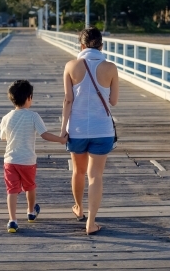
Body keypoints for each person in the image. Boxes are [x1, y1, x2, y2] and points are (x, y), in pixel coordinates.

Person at [60, 26, 119, 235]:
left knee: (78, 171)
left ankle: (78, 208)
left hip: (76, 129)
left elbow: (68, 100)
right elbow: (113, 101)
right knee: (96, 176)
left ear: (81, 45)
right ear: (101, 45)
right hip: (102, 130)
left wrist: (62, 130)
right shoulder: (111, 68)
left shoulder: (71, 66)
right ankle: (91, 223)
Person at [0, 80, 68, 233]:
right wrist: (61, 139)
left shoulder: (6, 118)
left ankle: (12, 220)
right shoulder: (33, 116)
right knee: (29, 186)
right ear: (29, 98)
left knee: (12, 190)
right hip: (27, 160)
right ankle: (31, 212)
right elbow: (44, 135)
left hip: (10, 160)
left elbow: (3, 137)